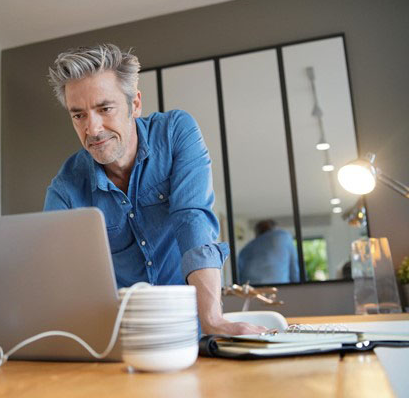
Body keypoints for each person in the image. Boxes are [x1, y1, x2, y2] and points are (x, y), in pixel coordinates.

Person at [44, 44, 264, 335]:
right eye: (79, 115)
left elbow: (191, 217)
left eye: (105, 108)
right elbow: (51, 273)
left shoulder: (175, 133)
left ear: (135, 104)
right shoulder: (66, 187)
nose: (92, 129)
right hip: (122, 340)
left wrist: (213, 319)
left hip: (192, 331)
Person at [237, 219, 300, 284]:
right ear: (274, 228)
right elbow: (294, 269)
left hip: (252, 287)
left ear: (257, 233)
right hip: (279, 286)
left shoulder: (247, 248)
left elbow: (239, 273)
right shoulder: (283, 237)